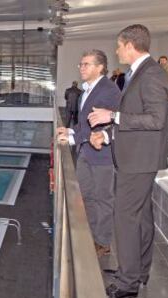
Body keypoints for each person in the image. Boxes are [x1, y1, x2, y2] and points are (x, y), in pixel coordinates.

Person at [87, 24, 168, 298]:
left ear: (131, 45)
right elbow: (133, 119)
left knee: (125, 218)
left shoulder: (151, 74)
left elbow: (156, 120)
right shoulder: (138, 74)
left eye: (119, 45)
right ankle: (138, 271)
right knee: (142, 219)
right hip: (135, 157)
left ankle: (127, 281)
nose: (117, 50)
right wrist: (107, 136)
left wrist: (113, 117)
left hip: (138, 161)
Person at [57, 50, 121, 258]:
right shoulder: (88, 90)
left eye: (86, 64)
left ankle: (102, 242)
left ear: (100, 67)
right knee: (88, 196)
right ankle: (92, 236)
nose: (81, 68)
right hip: (87, 152)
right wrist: (71, 130)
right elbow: (85, 121)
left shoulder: (108, 90)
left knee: (103, 199)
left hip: (101, 154)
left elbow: (101, 124)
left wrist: (74, 138)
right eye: (80, 64)